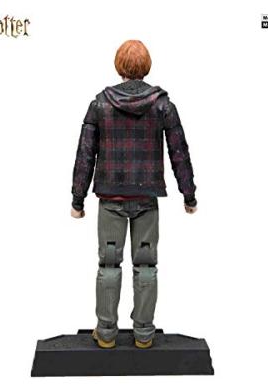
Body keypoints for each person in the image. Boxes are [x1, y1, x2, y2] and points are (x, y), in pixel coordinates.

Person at [71, 39, 197, 349]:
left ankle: (106, 333)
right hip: (146, 200)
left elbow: (85, 155)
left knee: (108, 266)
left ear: (119, 66)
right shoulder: (163, 105)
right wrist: (188, 194)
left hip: (110, 199)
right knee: (146, 266)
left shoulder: (100, 104)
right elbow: (179, 152)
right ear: (146, 66)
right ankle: (144, 334)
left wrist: (77, 199)